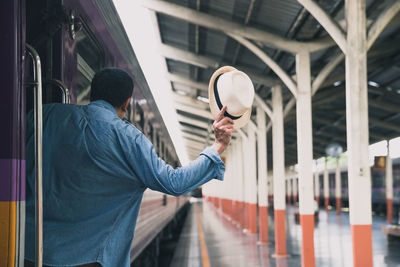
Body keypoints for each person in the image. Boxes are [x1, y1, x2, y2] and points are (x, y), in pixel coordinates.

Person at [25, 68, 234, 267]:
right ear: (126, 104)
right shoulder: (128, 139)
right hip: (89, 259)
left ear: (91, 95)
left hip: (28, 251)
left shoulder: (44, 115)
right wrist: (217, 146)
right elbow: (174, 182)